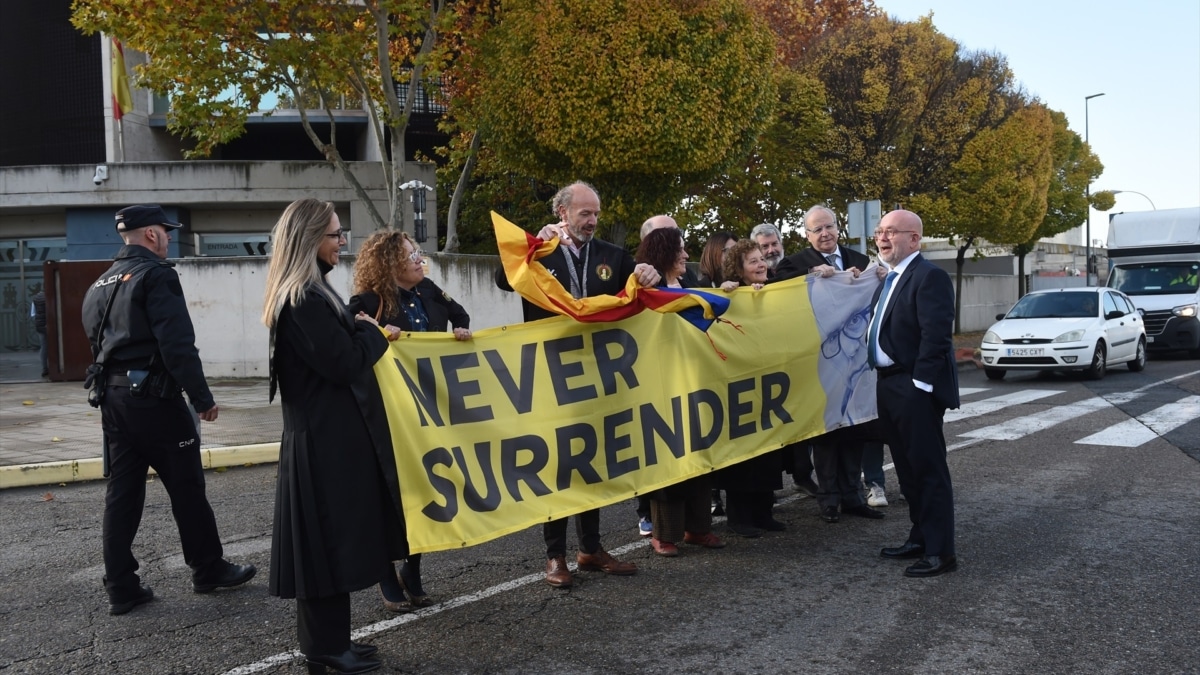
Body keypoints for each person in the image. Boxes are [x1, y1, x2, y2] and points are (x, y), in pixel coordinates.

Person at [81, 204, 255, 616]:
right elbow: (176, 343)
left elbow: (95, 343)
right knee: (187, 486)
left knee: (122, 493)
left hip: (114, 399)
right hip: (155, 400)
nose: (169, 237)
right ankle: (208, 569)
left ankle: (121, 586)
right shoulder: (157, 275)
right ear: (152, 235)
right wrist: (202, 398)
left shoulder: (99, 284)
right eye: (165, 230)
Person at [263, 199, 406, 673]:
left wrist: (360, 332)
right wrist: (373, 333)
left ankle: (331, 642)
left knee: (333, 543)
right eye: (334, 235)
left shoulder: (311, 293)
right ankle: (325, 649)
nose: (341, 241)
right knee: (325, 544)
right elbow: (344, 362)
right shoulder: (304, 299)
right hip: (321, 442)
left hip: (326, 437)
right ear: (309, 240)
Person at [495, 181, 660, 587]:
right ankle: (555, 555)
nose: (592, 220)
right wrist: (532, 245)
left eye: (596, 213)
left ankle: (590, 548)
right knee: (556, 464)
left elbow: (643, 286)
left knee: (592, 459)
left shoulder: (611, 255)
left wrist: (647, 271)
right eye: (585, 213)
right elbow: (503, 279)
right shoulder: (538, 251)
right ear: (562, 213)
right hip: (549, 374)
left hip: (598, 376)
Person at [348, 229, 471, 612]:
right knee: (390, 493)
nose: (420, 259)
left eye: (418, 253)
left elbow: (459, 313)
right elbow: (351, 328)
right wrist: (377, 329)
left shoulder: (429, 289)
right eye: (411, 254)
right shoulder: (370, 301)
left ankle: (412, 569)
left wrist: (460, 330)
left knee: (426, 489)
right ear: (388, 263)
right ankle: (387, 574)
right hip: (388, 414)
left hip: (427, 412)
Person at [774, 205, 886, 524]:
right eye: (817, 229)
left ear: (838, 228)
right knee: (825, 434)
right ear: (807, 235)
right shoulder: (794, 264)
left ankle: (852, 495)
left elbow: (878, 298)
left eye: (829, 227)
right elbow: (777, 295)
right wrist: (810, 277)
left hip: (856, 363)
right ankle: (828, 499)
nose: (824, 233)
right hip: (820, 361)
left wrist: (880, 277)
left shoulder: (860, 261)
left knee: (854, 429)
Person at [868, 209, 960, 578]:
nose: (883, 237)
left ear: (914, 239)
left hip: (912, 386)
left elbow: (936, 336)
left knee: (927, 469)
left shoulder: (929, 276)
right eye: (880, 231)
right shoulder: (889, 279)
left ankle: (941, 552)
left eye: (892, 231)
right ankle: (920, 537)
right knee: (907, 470)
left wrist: (921, 386)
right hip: (888, 384)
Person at [634, 227, 725, 556]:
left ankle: (698, 529)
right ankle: (664, 534)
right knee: (668, 458)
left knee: (699, 455)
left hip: (696, 381)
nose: (686, 255)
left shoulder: (691, 286)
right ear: (664, 253)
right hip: (660, 385)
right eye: (680, 250)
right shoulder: (646, 290)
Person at [716, 239, 785, 536]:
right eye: (753, 261)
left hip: (769, 379)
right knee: (744, 451)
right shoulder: (730, 293)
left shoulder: (778, 291)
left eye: (762, 259)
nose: (761, 264)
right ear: (738, 270)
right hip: (740, 382)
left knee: (769, 448)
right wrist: (736, 294)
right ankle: (739, 516)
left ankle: (764, 511)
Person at [31, 289, 48, 378]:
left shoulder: (36, 298)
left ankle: (44, 368)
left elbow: (33, 314)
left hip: (40, 326)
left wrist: (39, 322)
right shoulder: (50, 296)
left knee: (44, 347)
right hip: (52, 325)